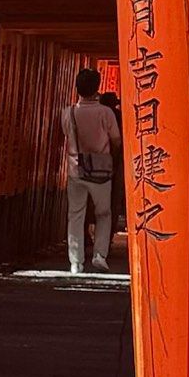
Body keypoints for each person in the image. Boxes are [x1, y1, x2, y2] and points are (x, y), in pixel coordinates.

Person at [62, 65, 121, 272]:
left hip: (76, 169)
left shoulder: (68, 112)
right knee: (104, 213)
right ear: (97, 88)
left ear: (77, 88)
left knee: (76, 214)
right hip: (101, 171)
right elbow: (116, 140)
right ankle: (99, 254)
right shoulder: (106, 113)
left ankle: (75, 262)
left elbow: (65, 138)